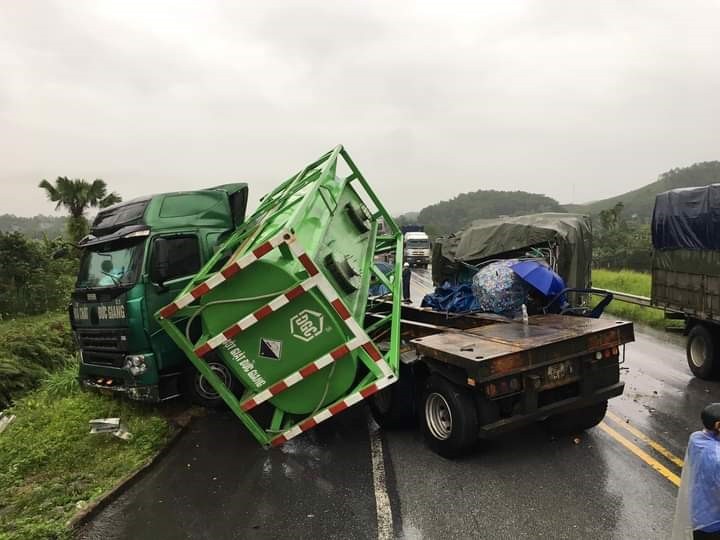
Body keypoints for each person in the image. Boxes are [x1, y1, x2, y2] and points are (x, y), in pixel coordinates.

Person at [673, 403, 720, 539]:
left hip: (699, 514)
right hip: (715, 524)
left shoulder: (697, 439)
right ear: (718, 426)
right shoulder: (716, 458)